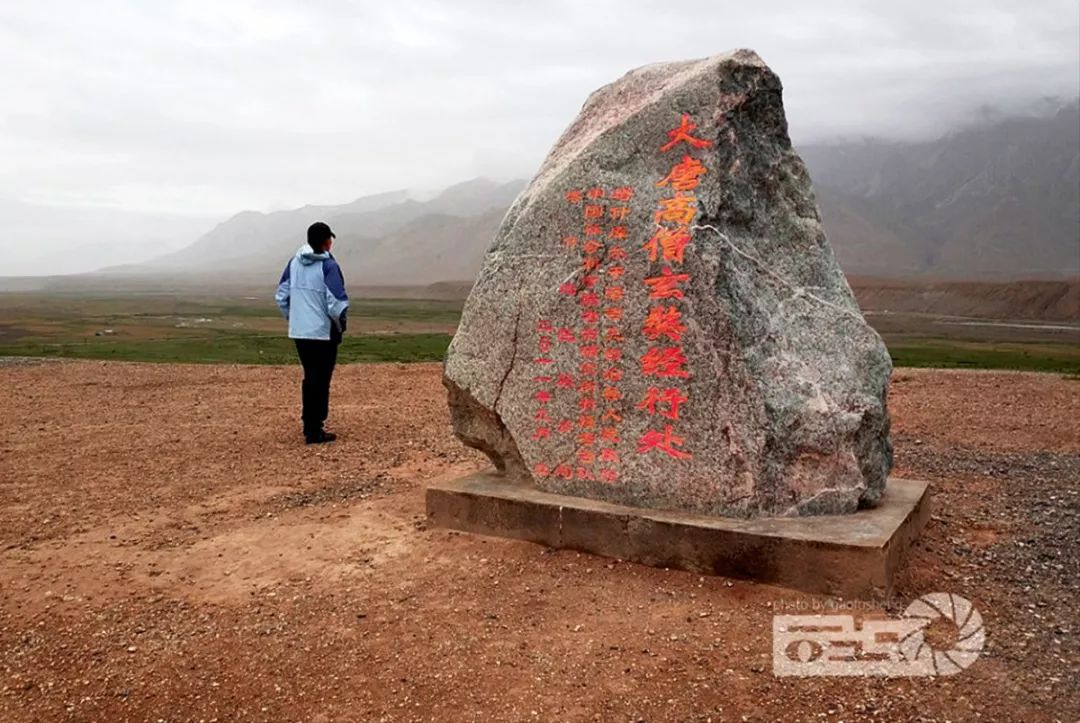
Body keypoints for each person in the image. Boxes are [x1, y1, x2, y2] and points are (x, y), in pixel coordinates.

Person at [274, 221, 349, 444]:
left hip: (300, 331)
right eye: (330, 239)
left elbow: (281, 296)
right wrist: (340, 324)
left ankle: (310, 424)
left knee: (310, 377)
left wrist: (294, 317)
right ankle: (315, 429)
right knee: (321, 379)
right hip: (322, 332)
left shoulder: (293, 263)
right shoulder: (329, 266)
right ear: (326, 242)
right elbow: (336, 302)